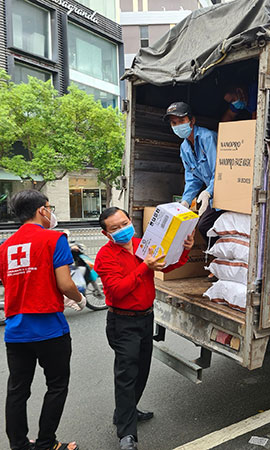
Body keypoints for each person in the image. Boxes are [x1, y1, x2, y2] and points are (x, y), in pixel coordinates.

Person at [94, 207, 194, 450]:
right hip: (123, 321)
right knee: (126, 377)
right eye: (115, 228)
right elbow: (117, 290)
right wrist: (143, 267)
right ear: (106, 233)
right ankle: (126, 435)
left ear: (131, 221)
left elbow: (166, 266)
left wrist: (185, 250)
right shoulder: (105, 256)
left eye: (124, 223)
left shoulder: (142, 245)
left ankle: (126, 411)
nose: (122, 230)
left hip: (146, 318)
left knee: (141, 371)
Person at [0, 190, 85, 450]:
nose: (51, 213)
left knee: (17, 391)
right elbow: (65, 283)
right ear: (41, 210)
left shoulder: (4, 248)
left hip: (16, 332)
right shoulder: (54, 238)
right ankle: (47, 443)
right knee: (57, 386)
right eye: (49, 207)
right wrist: (79, 298)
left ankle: (19, 445)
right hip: (50, 329)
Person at [164, 102, 222, 245]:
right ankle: (218, 257)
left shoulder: (207, 137)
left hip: (223, 191)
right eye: (173, 123)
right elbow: (192, 178)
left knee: (206, 225)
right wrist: (186, 201)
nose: (178, 126)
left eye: (181, 121)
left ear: (192, 120)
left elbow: (220, 171)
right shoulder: (184, 147)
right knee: (203, 226)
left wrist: (208, 192)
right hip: (213, 195)